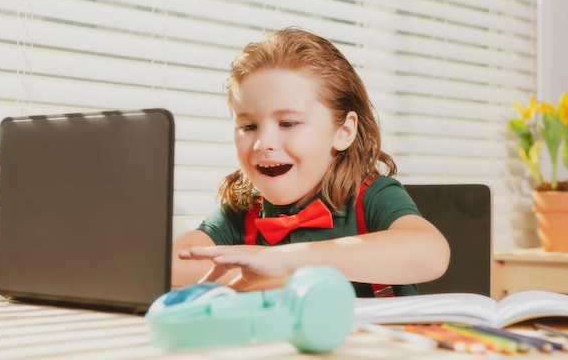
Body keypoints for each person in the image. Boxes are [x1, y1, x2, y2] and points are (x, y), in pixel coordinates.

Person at [172, 27, 450, 297]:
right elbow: (170, 264)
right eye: (248, 126)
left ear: (344, 131)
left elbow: (431, 253)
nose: (262, 143)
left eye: (288, 123)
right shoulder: (242, 210)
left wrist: (285, 261)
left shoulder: (374, 198)